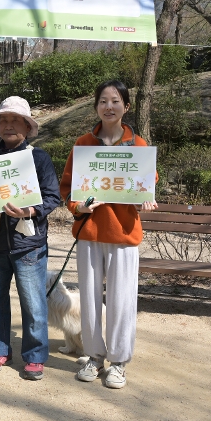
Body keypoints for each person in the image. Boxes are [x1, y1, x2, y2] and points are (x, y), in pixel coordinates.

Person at [59, 80, 158, 389]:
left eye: (115, 101)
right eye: (103, 101)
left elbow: (148, 181)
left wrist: (146, 198)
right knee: (89, 300)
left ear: (126, 107)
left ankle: (118, 362)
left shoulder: (138, 145)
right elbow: (68, 187)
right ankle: (93, 355)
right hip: (90, 233)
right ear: (96, 107)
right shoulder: (83, 144)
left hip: (124, 235)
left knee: (121, 301)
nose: (109, 106)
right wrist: (78, 207)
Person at [0, 97, 61, 381]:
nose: (9, 125)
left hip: (29, 245)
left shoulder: (39, 158)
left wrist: (29, 210)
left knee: (33, 303)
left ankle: (35, 356)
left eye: (16, 120)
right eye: (4, 120)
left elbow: (52, 197)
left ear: (27, 127)